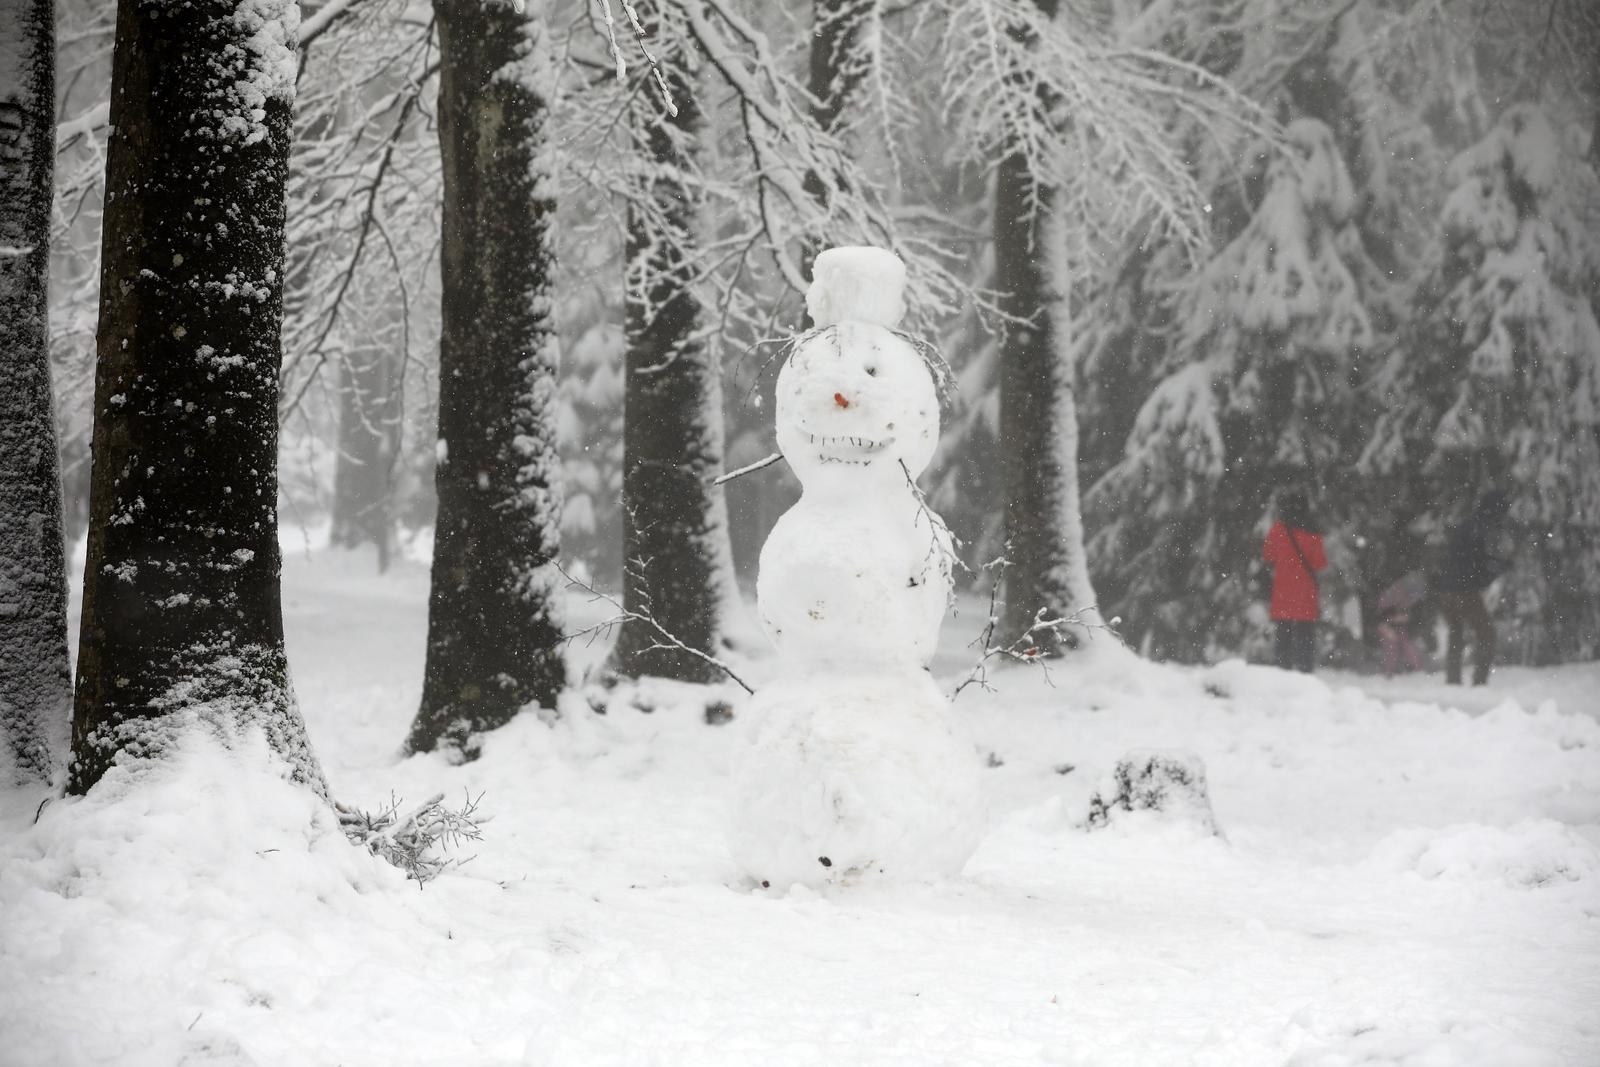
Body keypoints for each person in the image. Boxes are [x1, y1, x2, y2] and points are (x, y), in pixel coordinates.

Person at [1435, 491, 1511, 686]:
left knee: (1456, 632)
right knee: (1487, 634)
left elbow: (1461, 560)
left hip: (1446, 589)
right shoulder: (1479, 529)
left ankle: (1453, 680)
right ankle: (1479, 683)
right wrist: (1497, 568)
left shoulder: (1467, 526)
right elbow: (1475, 567)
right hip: (1464, 591)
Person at [1262, 492, 1326, 673]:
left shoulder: (1278, 530)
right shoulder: (1313, 531)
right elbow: (1320, 563)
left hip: (1283, 590)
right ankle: (1305, 672)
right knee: (1306, 634)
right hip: (1306, 591)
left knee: (1284, 634)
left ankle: (1283, 672)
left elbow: (1268, 555)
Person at [1376, 569, 1427, 676]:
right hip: (1387, 624)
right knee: (1392, 647)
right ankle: (1389, 672)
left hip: (1396, 625)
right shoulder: (1396, 593)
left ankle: (1416, 670)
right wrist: (1397, 618)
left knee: (1407, 647)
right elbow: (1385, 612)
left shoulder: (1405, 593)